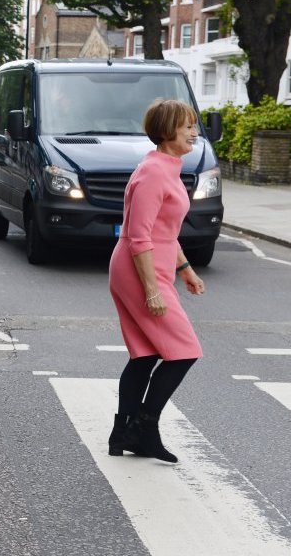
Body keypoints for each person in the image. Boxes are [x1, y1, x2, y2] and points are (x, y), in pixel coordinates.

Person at [107, 99, 206, 464]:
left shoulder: (166, 168)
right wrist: (152, 290)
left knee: (146, 354)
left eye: (194, 126)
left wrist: (185, 269)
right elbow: (138, 236)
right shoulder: (152, 173)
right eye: (187, 127)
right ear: (167, 132)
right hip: (139, 271)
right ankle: (144, 429)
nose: (194, 133)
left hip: (153, 266)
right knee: (184, 351)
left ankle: (123, 432)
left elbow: (164, 231)